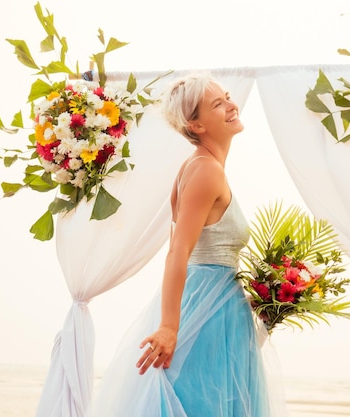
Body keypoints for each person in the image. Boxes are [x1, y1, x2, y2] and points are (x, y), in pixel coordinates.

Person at [87, 73, 287, 417]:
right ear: (195, 125)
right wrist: (168, 327)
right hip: (208, 313)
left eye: (227, 97)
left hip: (218, 307)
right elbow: (178, 251)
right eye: (217, 104)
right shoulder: (205, 170)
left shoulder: (199, 168)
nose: (230, 105)